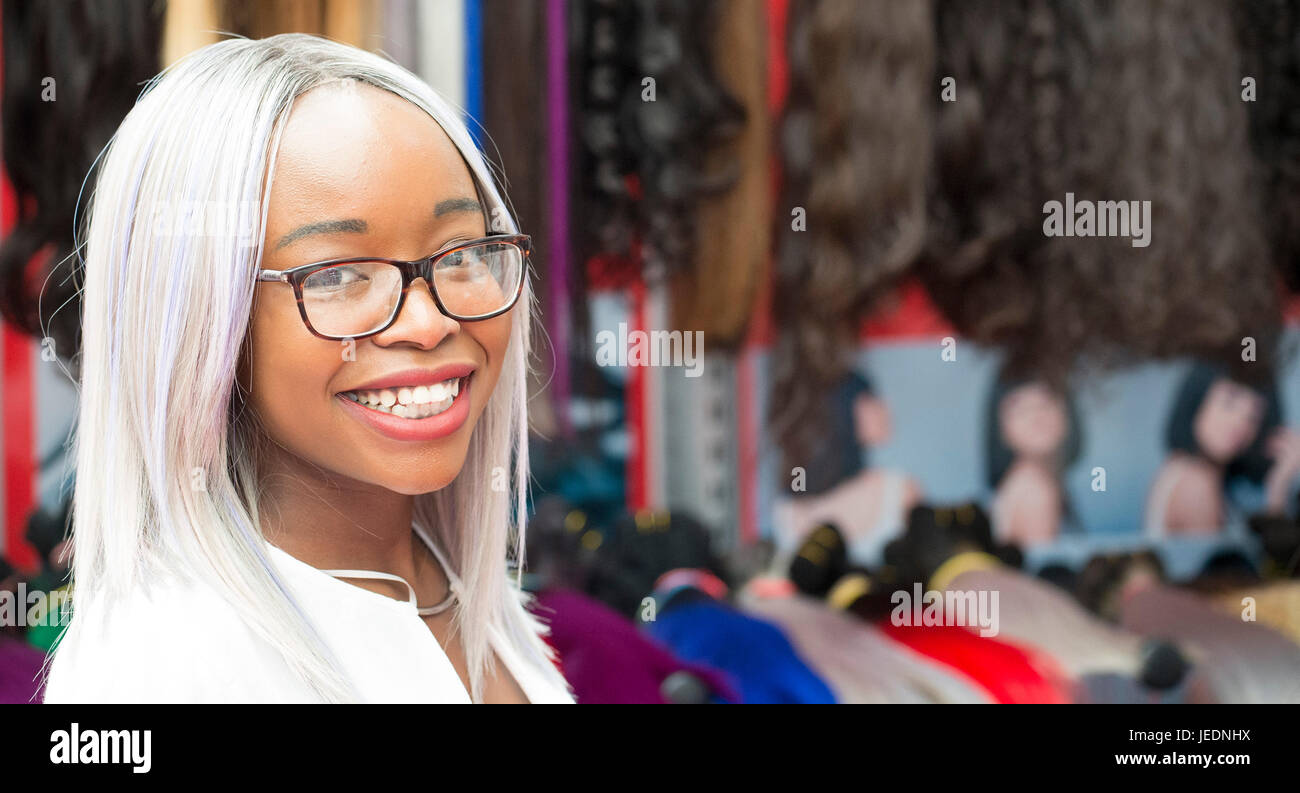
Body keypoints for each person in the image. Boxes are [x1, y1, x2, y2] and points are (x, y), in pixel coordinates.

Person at [42, 34, 573, 703]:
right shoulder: (158, 664)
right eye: (339, 273)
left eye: (463, 250)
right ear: (207, 322)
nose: (429, 322)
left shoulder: (470, 599)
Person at [1145, 363, 1298, 537]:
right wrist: (1278, 497)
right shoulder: (1196, 484)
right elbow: (1221, 564)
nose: (1240, 423)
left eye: (1253, 416)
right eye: (1229, 402)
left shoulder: (1185, 469)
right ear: (1197, 398)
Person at [986, 375, 1082, 547]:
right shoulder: (1035, 489)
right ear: (1000, 429)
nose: (1036, 419)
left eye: (1046, 403)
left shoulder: (1029, 480)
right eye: (1021, 410)